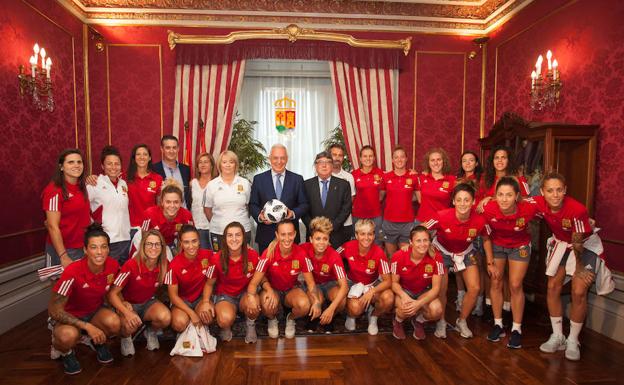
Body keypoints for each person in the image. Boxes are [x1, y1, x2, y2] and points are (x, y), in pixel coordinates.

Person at [534, 172, 605, 361]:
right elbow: (516, 199)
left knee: (579, 290)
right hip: (561, 245)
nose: (555, 195)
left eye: (559, 190)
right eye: (550, 190)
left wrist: (579, 268)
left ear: (565, 190)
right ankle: (558, 336)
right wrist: (488, 200)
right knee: (552, 287)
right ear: (543, 192)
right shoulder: (538, 203)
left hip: (583, 246)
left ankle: (573, 339)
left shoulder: (577, 209)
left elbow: (578, 243)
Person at [48, 223, 120, 375]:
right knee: (67, 337)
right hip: (69, 317)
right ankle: (64, 351)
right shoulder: (72, 272)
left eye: (103, 247)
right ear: (85, 250)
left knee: (114, 323)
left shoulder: (113, 266)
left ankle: (97, 341)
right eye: (94, 247)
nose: (99, 252)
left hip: (94, 311)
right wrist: (87, 327)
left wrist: (123, 303)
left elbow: (112, 291)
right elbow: (54, 309)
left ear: (108, 249)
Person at [422, 183, 487, 339]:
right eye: (459, 200)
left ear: (473, 202)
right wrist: (428, 246)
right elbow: (421, 228)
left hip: (465, 252)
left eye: (466, 200)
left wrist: (490, 261)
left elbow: (486, 237)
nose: (463, 203)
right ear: (453, 201)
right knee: (441, 289)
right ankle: (441, 322)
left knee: (475, 288)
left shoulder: (479, 220)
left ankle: (462, 321)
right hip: (442, 252)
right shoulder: (442, 215)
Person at [482, 176, 538, 349]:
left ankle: (516, 328)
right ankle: (498, 324)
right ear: (495, 196)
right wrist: (490, 262)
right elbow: (485, 235)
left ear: (516, 196)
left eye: (508, 195)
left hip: (519, 246)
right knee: (496, 281)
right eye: (500, 194)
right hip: (497, 245)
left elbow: (551, 207)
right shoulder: (489, 209)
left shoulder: (528, 208)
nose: (504, 199)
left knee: (514, 284)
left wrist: (582, 220)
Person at [247, 221, 321, 339]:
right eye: (283, 234)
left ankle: (290, 318)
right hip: (272, 290)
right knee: (267, 304)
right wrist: (251, 296)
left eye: (290, 234)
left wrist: (316, 301)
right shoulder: (268, 253)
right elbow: (253, 283)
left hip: (291, 290)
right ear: (277, 235)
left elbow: (311, 283)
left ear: (295, 234)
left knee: (304, 305)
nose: (287, 238)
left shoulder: (301, 254)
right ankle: (272, 319)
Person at [108, 229, 171, 356]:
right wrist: (126, 312)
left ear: (162, 247)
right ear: (142, 246)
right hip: (129, 304)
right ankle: (126, 338)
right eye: (149, 244)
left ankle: (150, 331)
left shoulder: (164, 265)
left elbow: (172, 287)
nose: (153, 248)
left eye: (157, 244)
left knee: (165, 317)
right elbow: (112, 294)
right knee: (129, 325)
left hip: (148, 303)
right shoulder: (131, 265)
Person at [203, 222, 262, 344]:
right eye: (230, 235)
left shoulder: (253, 255)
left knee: (254, 304)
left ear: (243, 238)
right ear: (224, 239)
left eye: (238, 235)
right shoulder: (215, 259)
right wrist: (205, 302)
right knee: (225, 319)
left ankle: (250, 325)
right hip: (225, 296)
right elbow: (209, 284)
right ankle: (226, 327)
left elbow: (261, 278)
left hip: (246, 294)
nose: (234, 239)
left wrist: (254, 295)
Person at [249, 144, 309, 253]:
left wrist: (293, 213)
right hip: (266, 235)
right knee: (266, 268)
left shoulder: (297, 179)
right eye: (275, 158)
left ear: (287, 159)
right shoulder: (259, 179)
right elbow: (253, 204)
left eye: (282, 158)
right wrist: (260, 216)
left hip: (289, 236)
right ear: (269, 158)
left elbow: (304, 204)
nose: (279, 161)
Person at [341, 219, 394, 335]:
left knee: (389, 298)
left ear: (374, 235)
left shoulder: (379, 253)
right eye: (362, 234)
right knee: (355, 309)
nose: (366, 237)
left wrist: (372, 291)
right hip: (353, 283)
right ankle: (351, 316)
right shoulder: (347, 246)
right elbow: (333, 256)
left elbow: (388, 281)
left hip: (372, 284)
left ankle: (373, 316)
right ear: (356, 235)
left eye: (370, 234)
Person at [390, 225, 444, 340]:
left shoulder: (436, 257)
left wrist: (418, 304)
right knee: (405, 308)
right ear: (411, 242)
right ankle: (398, 321)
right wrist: (404, 297)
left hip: (424, 291)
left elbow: (436, 289)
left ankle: (419, 320)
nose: (422, 244)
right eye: (418, 241)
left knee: (437, 310)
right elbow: (394, 283)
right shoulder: (398, 256)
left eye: (425, 240)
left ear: (430, 241)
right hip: (405, 290)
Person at [43, 149, 91, 267]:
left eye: (79, 162)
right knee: (61, 284)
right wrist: (63, 255)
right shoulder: (54, 190)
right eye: (71, 162)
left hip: (81, 247)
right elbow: (52, 226)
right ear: (61, 167)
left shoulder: (82, 187)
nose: (76, 165)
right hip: (63, 249)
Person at [300, 217, 348, 333]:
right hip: (312, 284)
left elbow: (344, 286)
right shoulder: (303, 249)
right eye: (317, 239)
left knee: (341, 301)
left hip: (329, 284)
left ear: (329, 240)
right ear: (311, 239)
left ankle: (329, 315)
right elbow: (285, 246)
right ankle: (316, 316)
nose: (321, 242)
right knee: (318, 300)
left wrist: (331, 309)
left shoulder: (334, 256)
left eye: (325, 239)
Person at [165, 225, 215, 333]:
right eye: (186, 242)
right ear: (181, 243)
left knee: (208, 315)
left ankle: (201, 329)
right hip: (181, 301)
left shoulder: (208, 255)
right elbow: (173, 296)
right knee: (179, 323)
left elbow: (224, 255)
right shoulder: (174, 265)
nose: (191, 246)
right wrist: (191, 314)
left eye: (194, 241)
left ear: (199, 241)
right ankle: (187, 331)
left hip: (200, 298)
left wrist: (246, 248)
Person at [87, 146, 131, 263]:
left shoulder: (123, 184)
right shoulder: (94, 184)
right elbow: (82, 209)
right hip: (107, 240)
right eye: (109, 164)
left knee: (122, 275)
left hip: (126, 238)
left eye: (117, 164)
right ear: (102, 166)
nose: (113, 167)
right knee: (108, 275)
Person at [454, 150, 486, 316]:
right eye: (464, 160)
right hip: (461, 225)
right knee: (459, 264)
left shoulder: (482, 180)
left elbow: (493, 195)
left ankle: (478, 301)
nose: (467, 163)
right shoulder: (457, 181)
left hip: (477, 225)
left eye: (471, 160)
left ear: (476, 163)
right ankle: (461, 297)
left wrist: (488, 199)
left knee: (478, 264)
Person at [204, 151, 252, 251]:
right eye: (224, 162)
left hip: (243, 231)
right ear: (219, 165)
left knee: (243, 262)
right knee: (220, 262)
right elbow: (207, 209)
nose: (228, 165)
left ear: (236, 164)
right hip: (218, 231)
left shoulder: (244, 183)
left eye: (231, 162)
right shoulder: (212, 185)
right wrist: (219, 222)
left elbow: (248, 206)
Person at [303, 151, 352, 249]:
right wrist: (314, 227)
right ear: (315, 166)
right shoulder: (306, 185)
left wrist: (331, 227)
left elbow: (346, 209)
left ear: (332, 165)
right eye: (320, 162)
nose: (324, 165)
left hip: (336, 234)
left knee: (335, 262)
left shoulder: (343, 185)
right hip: (313, 235)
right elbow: (303, 209)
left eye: (328, 162)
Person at [382, 146, 419, 256]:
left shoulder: (414, 177)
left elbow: (419, 197)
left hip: (407, 223)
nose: (399, 160)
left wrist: (407, 198)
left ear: (406, 159)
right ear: (392, 160)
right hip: (389, 222)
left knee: (405, 257)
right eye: (396, 157)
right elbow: (380, 197)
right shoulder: (386, 177)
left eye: (402, 157)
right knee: (391, 257)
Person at [141, 181, 193, 252]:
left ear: (181, 202)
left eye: (176, 202)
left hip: (171, 244)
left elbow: (189, 239)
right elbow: (144, 239)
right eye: (168, 202)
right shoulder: (149, 214)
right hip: (148, 243)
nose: (172, 206)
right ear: (162, 202)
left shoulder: (187, 216)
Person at [126, 144, 163, 241]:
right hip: (130, 228)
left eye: (145, 154)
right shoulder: (125, 178)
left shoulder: (157, 179)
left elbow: (160, 205)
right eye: (138, 154)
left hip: (150, 228)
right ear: (134, 158)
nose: (142, 157)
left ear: (150, 157)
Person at [477, 145, 530, 212]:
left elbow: (527, 200)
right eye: (496, 158)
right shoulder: (485, 177)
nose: (499, 160)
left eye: (503, 157)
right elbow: (479, 200)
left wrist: (493, 199)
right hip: (489, 215)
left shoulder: (518, 177)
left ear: (508, 161)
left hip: (512, 215)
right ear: (492, 161)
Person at [351, 145, 385, 245]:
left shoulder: (381, 173)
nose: (368, 158)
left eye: (370, 156)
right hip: (358, 216)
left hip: (376, 216)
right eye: (365, 156)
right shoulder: (353, 175)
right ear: (360, 159)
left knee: (377, 242)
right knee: (358, 243)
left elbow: (383, 193)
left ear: (374, 158)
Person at [415, 147, 456, 224]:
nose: (436, 163)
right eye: (432, 160)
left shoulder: (452, 180)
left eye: (439, 160)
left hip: (441, 224)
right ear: (428, 163)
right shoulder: (422, 178)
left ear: (444, 162)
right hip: (422, 222)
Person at [152, 135, 191, 208]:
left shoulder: (186, 170)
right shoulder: (154, 169)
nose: (171, 151)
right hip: (163, 216)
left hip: (183, 216)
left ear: (178, 149)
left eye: (174, 147)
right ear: (162, 149)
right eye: (168, 148)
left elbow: (187, 196)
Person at [190, 152, 217, 249]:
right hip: (197, 228)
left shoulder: (217, 183)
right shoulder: (192, 183)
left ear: (212, 164)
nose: (203, 164)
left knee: (216, 257)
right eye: (200, 162)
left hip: (214, 228)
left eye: (206, 162)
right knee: (203, 260)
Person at [328, 143, 356, 239]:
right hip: (327, 223)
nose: (337, 158)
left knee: (344, 252)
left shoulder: (349, 177)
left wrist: (339, 219)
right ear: (329, 156)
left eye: (340, 155)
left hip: (346, 223)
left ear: (343, 158)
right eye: (334, 154)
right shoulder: (323, 175)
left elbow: (351, 200)